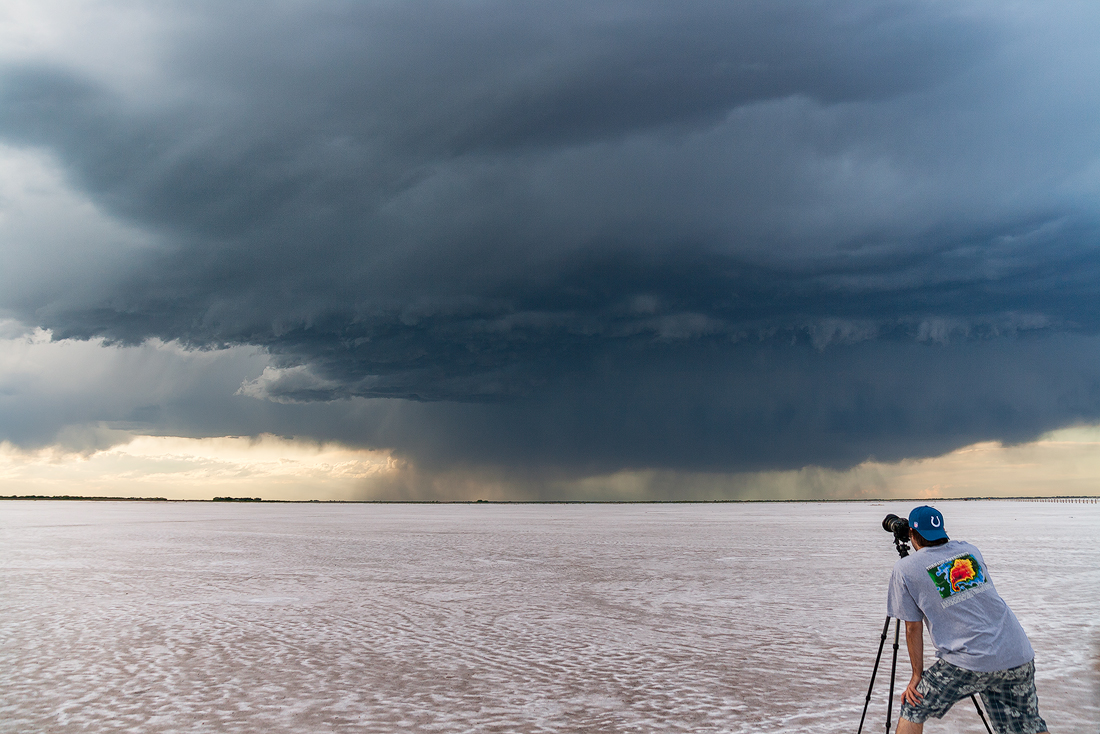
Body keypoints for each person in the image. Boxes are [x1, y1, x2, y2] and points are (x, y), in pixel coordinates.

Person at [886, 506, 1049, 734]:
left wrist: (917, 675)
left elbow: (913, 627)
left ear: (911, 535)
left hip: (968, 660)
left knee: (914, 706)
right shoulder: (970, 550)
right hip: (1017, 652)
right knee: (1027, 726)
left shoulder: (905, 568)